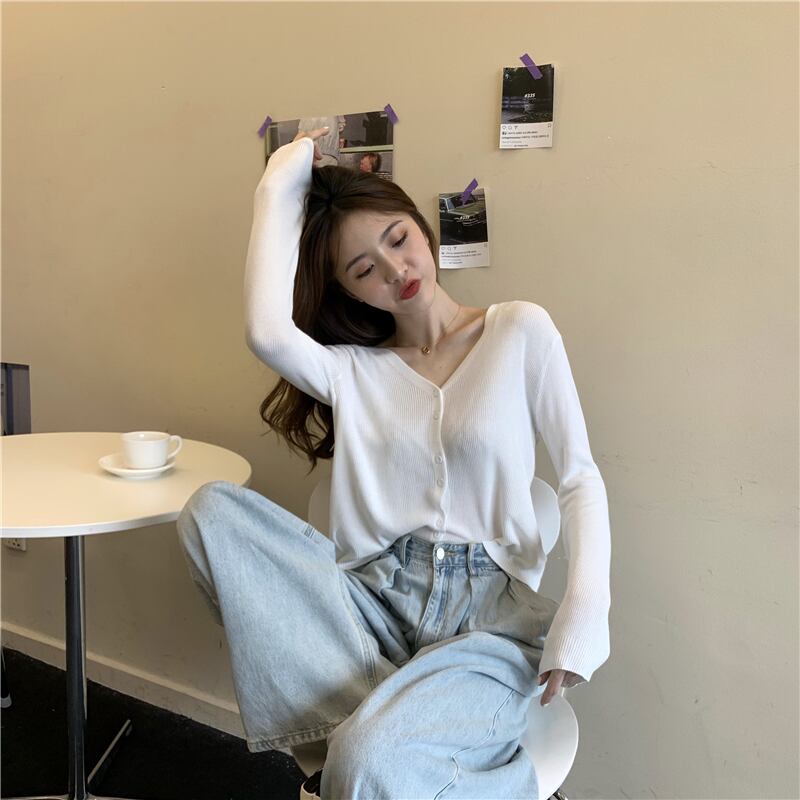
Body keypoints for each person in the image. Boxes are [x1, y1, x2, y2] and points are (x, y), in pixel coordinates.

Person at [176, 126, 611, 799]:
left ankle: (378, 745)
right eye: (363, 270)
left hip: (487, 622)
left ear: (421, 227)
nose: (396, 271)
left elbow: (579, 476)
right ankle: (394, 737)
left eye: (398, 239)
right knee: (209, 512)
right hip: (372, 606)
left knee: (359, 760)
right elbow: (266, 331)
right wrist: (285, 174)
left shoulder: (519, 329)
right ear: (349, 292)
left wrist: (585, 610)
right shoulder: (353, 371)